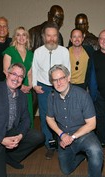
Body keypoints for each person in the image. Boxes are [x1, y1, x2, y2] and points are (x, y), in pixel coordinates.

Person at [46, 64, 105, 177]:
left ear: (69, 78)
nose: (59, 82)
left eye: (61, 78)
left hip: (83, 134)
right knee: (66, 170)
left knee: (96, 150)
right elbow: (49, 118)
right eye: (55, 80)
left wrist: (72, 137)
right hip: (63, 137)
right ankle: (81, 155)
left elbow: (92, 124)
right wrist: (61, 135)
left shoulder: (83, 95)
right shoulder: (52, 96)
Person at [32, 22, 70, 159]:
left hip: (60, 88)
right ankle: (50, 145)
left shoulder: (64, 51)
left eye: (54, 36)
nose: (51, 39)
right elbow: (34, 70)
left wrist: (65, 88)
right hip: (43, 89)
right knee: (45, 118)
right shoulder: (38, 52)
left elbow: (68, 71)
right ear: (43, 37)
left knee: (61, 117)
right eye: (49, 36)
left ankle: (63, 144)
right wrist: (34, 85)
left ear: (58, 37)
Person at [3, 26, 34, 128]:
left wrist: (30, 86)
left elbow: (29, 72)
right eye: (18, 35)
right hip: (12, 87)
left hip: (26, 90)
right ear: (15, 37)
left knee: (27, 113)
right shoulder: (10, 51)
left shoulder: (30, 54)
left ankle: (27, 138)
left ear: (27, 38)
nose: (21, 37)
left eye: (24, 34)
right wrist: (20, 87)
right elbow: (6, 71)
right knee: (13, 113)